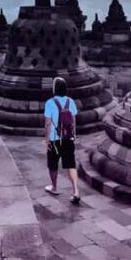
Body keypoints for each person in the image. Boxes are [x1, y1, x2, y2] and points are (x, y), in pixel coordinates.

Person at [44, 76, 81, 204]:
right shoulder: (71, 102)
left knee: (53, 164)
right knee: (71, 164)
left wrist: (47, 139)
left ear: (54, 89)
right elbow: (73, 121)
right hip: (68, 138)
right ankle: (75, 191)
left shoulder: (49, 103)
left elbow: (48, 123)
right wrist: (73, 136)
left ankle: (54, 187)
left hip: (55, 139)